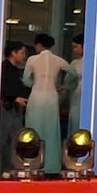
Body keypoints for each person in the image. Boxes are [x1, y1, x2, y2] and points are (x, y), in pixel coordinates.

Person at [23, 34, 70, 175]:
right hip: (51, 97)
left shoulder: (32, 59)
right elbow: (73, 73)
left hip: (36, 96)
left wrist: (34, 83)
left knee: (33, 130)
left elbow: (26, 80)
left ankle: (32, 163)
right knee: (51, 131)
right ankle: (52, 166)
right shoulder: (59, 60)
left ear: (38, 45)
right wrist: (64, 86)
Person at [0, 41, 30, 176]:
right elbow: (2, 88)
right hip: (7, 107)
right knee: (4, 139)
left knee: (14, 140)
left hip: (16, 108)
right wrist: (14, 98)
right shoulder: (4, 68)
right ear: (13, 53)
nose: (24, 56)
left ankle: (10, 169)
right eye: (22, 53)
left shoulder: (15, 70)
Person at [66, 34, 85, 134]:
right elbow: (68, 82)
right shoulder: (75, 63)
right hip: (77, 95)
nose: (74, 50)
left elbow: (68, 81)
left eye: (76, 47)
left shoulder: (76, 63)